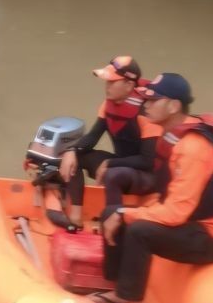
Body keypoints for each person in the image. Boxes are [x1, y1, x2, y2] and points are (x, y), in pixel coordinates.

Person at [93, 73, 213, 303]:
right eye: (146, 99)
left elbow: (175, 213)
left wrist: (126, 213)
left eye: (153, 101)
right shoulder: (173, 134)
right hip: (191, 222)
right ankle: (112, 283)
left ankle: (126, 296)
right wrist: (120, 211)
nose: (145, 105)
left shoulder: (193, 148)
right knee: (111, 211)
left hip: (212, 237)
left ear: (173, 106)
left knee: (137, 229)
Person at [58, 56, 161, 228]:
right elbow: (92, 138)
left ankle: (113, 224)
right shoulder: (108, 105)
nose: (107, 86)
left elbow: (148, 160)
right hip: (120, 165)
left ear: (129, 85)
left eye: (112, 82)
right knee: (75, 157)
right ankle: (76, 217)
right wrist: (72, 150)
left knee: (114, 173)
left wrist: (110, 162)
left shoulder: (147, 112)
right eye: (107, 82)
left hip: (147, 177)